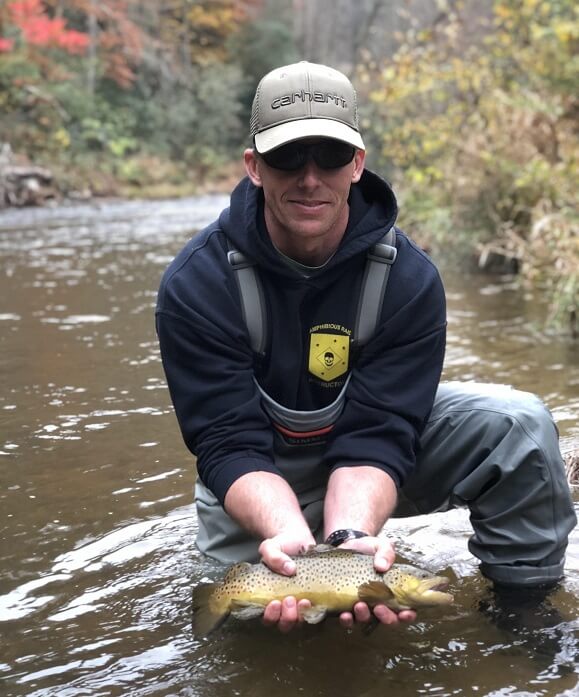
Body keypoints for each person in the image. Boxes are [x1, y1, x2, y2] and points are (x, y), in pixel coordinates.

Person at [156, 61, 576, 632]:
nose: (309, 178)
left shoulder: (409, 280)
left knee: (518, 426)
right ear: (254, 166)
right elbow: (228, 443)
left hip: (368, 463)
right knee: (251, 631)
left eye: (329, 156)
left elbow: (380, 431)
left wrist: (349, 539)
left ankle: (525, 612)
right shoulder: (196, 285)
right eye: (288, 157)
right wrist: (289, 540)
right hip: (259, 477)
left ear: (357, 163)